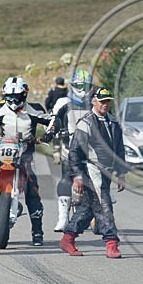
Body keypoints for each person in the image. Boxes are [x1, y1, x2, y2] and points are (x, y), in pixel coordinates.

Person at [0, 76, 51, 246]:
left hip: (25, 156)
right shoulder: (0, 109)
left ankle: (37, 232)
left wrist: (50, 134)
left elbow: (52, 120)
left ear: (24, 95)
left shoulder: (33, 110)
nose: (13, 101)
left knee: (33, 190)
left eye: (17, 97)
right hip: (2, 150)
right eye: (9, 97)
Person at [58, 86, 128, 259]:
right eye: (102, 101)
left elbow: (119, 149)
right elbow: (75, 151)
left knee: (87, 209)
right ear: (94, 101)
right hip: (91, 171)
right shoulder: (86, 122)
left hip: (107, 173)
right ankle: (112, 243)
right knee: (105, 206)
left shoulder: (113, 122)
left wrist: (121, 173)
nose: (105, 105)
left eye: (108, 101)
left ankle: (68, 238)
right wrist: (77, 176)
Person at [41, 69, 95, 231]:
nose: (82, 89)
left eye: (86, 86)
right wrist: (51, 132)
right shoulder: (63, 102)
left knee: (102, 177)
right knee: (66, 176)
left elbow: (108, 122)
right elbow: (53, 119)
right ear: (72, 86)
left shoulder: (96, 102)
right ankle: (63, 217)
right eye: (79, 85)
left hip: (92, 149)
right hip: (69, 145)